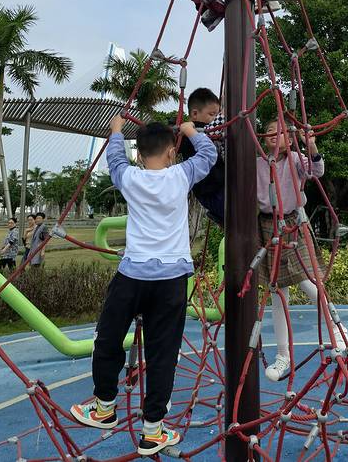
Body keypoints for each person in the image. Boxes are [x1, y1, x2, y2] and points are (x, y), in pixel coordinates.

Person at [71, 114, 216, 456]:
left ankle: (105, 407)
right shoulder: (181, 175)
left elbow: (115, 158)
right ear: (170, 153)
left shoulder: (130, 177)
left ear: (139, 155)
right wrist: (191, 131)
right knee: (162, 353)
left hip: (133, 275)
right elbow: (208, 155)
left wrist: (116, 131)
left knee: (108, 337)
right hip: (171, 279)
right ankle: (153, 430)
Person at [257, 118, 348, 381]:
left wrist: (310, 145)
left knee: (309, 281)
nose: (274, 134)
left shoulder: (296, 159)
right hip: (267, 225)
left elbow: (316, 170)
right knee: (277, 293)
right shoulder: (258, 164)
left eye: (280, 132)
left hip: (293, 222)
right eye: (270, 131)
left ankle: (337, 329)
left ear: (289, 138)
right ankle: (283, 356)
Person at [179, 87, 225, 226]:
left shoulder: (201, 131)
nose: (215, 118)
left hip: (213, 190)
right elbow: (213, 127)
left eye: (216, 114)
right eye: (212, 114)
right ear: (194, 114)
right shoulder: (193, 131)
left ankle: (220, 218)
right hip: (211, 190)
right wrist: (225, 112)